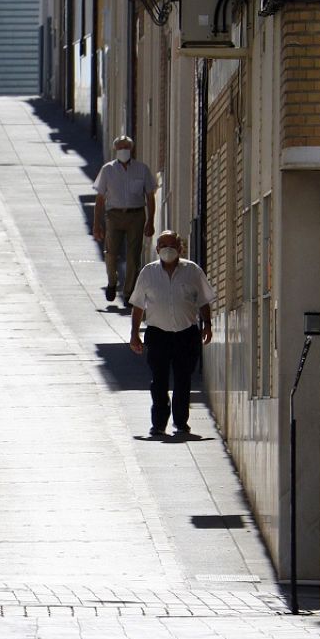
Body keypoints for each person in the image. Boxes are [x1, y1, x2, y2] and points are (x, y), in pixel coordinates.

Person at [129, 231, 215, 436]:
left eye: (172, 245)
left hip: (186, 334)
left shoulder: (192, 271)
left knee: (183, 379)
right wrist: (134, 333)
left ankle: (181, 422)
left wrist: (208, 324)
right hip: (158, 334)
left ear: (180, 248)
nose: (168, 249)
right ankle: (158, 424)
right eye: (163, 245)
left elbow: (203, 300)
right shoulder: (148, 273)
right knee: (159, 381)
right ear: (157, 249)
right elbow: (138, 305)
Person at [91, 135, 157, 305]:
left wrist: (150, 221)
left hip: (136, 215)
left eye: (126, 147)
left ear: (132, 149)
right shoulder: (107, 170)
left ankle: (128, 292)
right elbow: (100, 199)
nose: (123, 151)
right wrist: (96, 224)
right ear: (115, 150)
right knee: (111, 253)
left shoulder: (142, 169)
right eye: (120, 147)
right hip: (114, 215)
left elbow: (150, 196)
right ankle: (112, 282)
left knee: (133, 256)